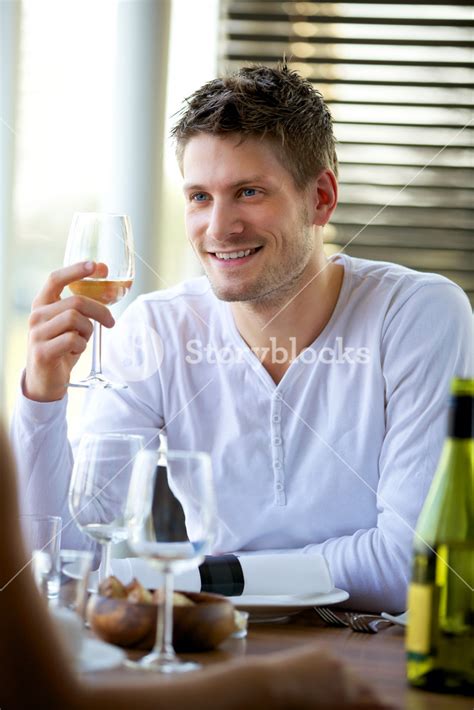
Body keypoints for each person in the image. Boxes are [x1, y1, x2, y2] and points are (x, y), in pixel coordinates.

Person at [11, 65, 472, 613]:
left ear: (321, 198)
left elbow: (412, 563)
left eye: (249, 192)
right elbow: (68, 558)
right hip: (210, 648)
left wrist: (193, 575)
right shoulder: (155, 330)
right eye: (200, 197)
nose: (218, 227)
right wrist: (42, 398)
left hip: (371, 664)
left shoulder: (417, 314)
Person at [0, 420, 385, 710]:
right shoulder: (155, 329)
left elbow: (398, 563)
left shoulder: (408, 318)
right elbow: (61, 560)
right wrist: (270, 685)